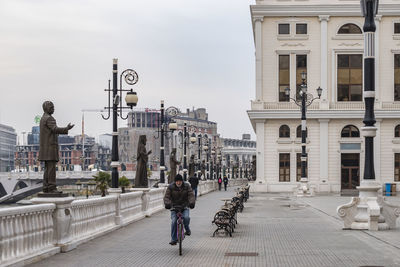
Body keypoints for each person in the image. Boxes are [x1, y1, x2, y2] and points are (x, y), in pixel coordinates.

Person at [39, 101, 74, 193]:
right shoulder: (49, 118)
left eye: (53, 107)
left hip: (45, 149)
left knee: (47, 169)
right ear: (46, 108)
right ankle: (51, 187)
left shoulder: (42, 118)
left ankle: (46, 187)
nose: (53, 109)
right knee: (51, 169)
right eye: (51, 107)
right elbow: (55, 129)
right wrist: (67, 128)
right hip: (50, 148)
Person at [163, 174, 195, 246]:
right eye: (177, 181)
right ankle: (173, 239)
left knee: (186, 218)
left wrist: (191, 203)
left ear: (182, 181)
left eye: (180, 181)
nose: (178, 183)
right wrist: (167, 204)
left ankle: (187, 229)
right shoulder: (171, 187)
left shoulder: (187, 186)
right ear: (175, 182)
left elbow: (191, 195)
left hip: (184, 206)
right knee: (174, 221)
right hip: (174, 207)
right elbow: (167, 197)